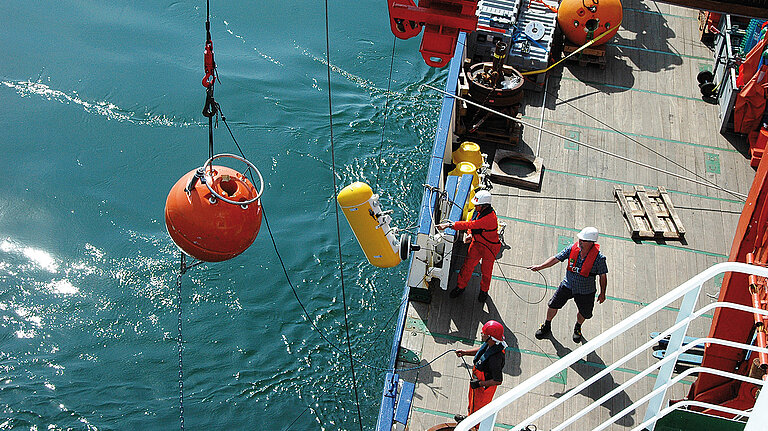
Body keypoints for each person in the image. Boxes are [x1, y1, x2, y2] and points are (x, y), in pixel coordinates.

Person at [528, 226, 608, 343]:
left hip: (586, 291)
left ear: (591, 242)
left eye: (583, 240)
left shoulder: (599, 259)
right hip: (568, 285)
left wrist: (602, 293)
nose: (580, 242)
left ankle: (578, 327)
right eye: (580, 239)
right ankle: (547, 325)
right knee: (553, 304)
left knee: (584, 312)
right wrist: (540, 267)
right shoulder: (572, 249)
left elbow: (603, 276)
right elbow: (556, 258)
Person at [436, 190, 501, 302]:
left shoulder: (490, 218)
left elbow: (471, 224)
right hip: (477, 244)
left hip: (489, 248)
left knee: (486, 272)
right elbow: (472, 223)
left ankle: (484, 291)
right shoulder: (478, 212)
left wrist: (448, 225)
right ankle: (460, 287)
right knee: (467, 267)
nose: (475, 207)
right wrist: (470, 234)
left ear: (484, 206)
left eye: (477, 205)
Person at [453, 320, 507, 424]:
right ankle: (469, 418)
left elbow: (498, 380)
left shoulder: (495, 359)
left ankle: (473, 427)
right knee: (472, 404)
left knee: (478, 410)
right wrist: (465, 353)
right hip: (477, 382)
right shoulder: (491, 344)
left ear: (490, 337)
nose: (481, 334)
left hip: (483, 389)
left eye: (484, 333)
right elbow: (482, 351)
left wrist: (479, 384)